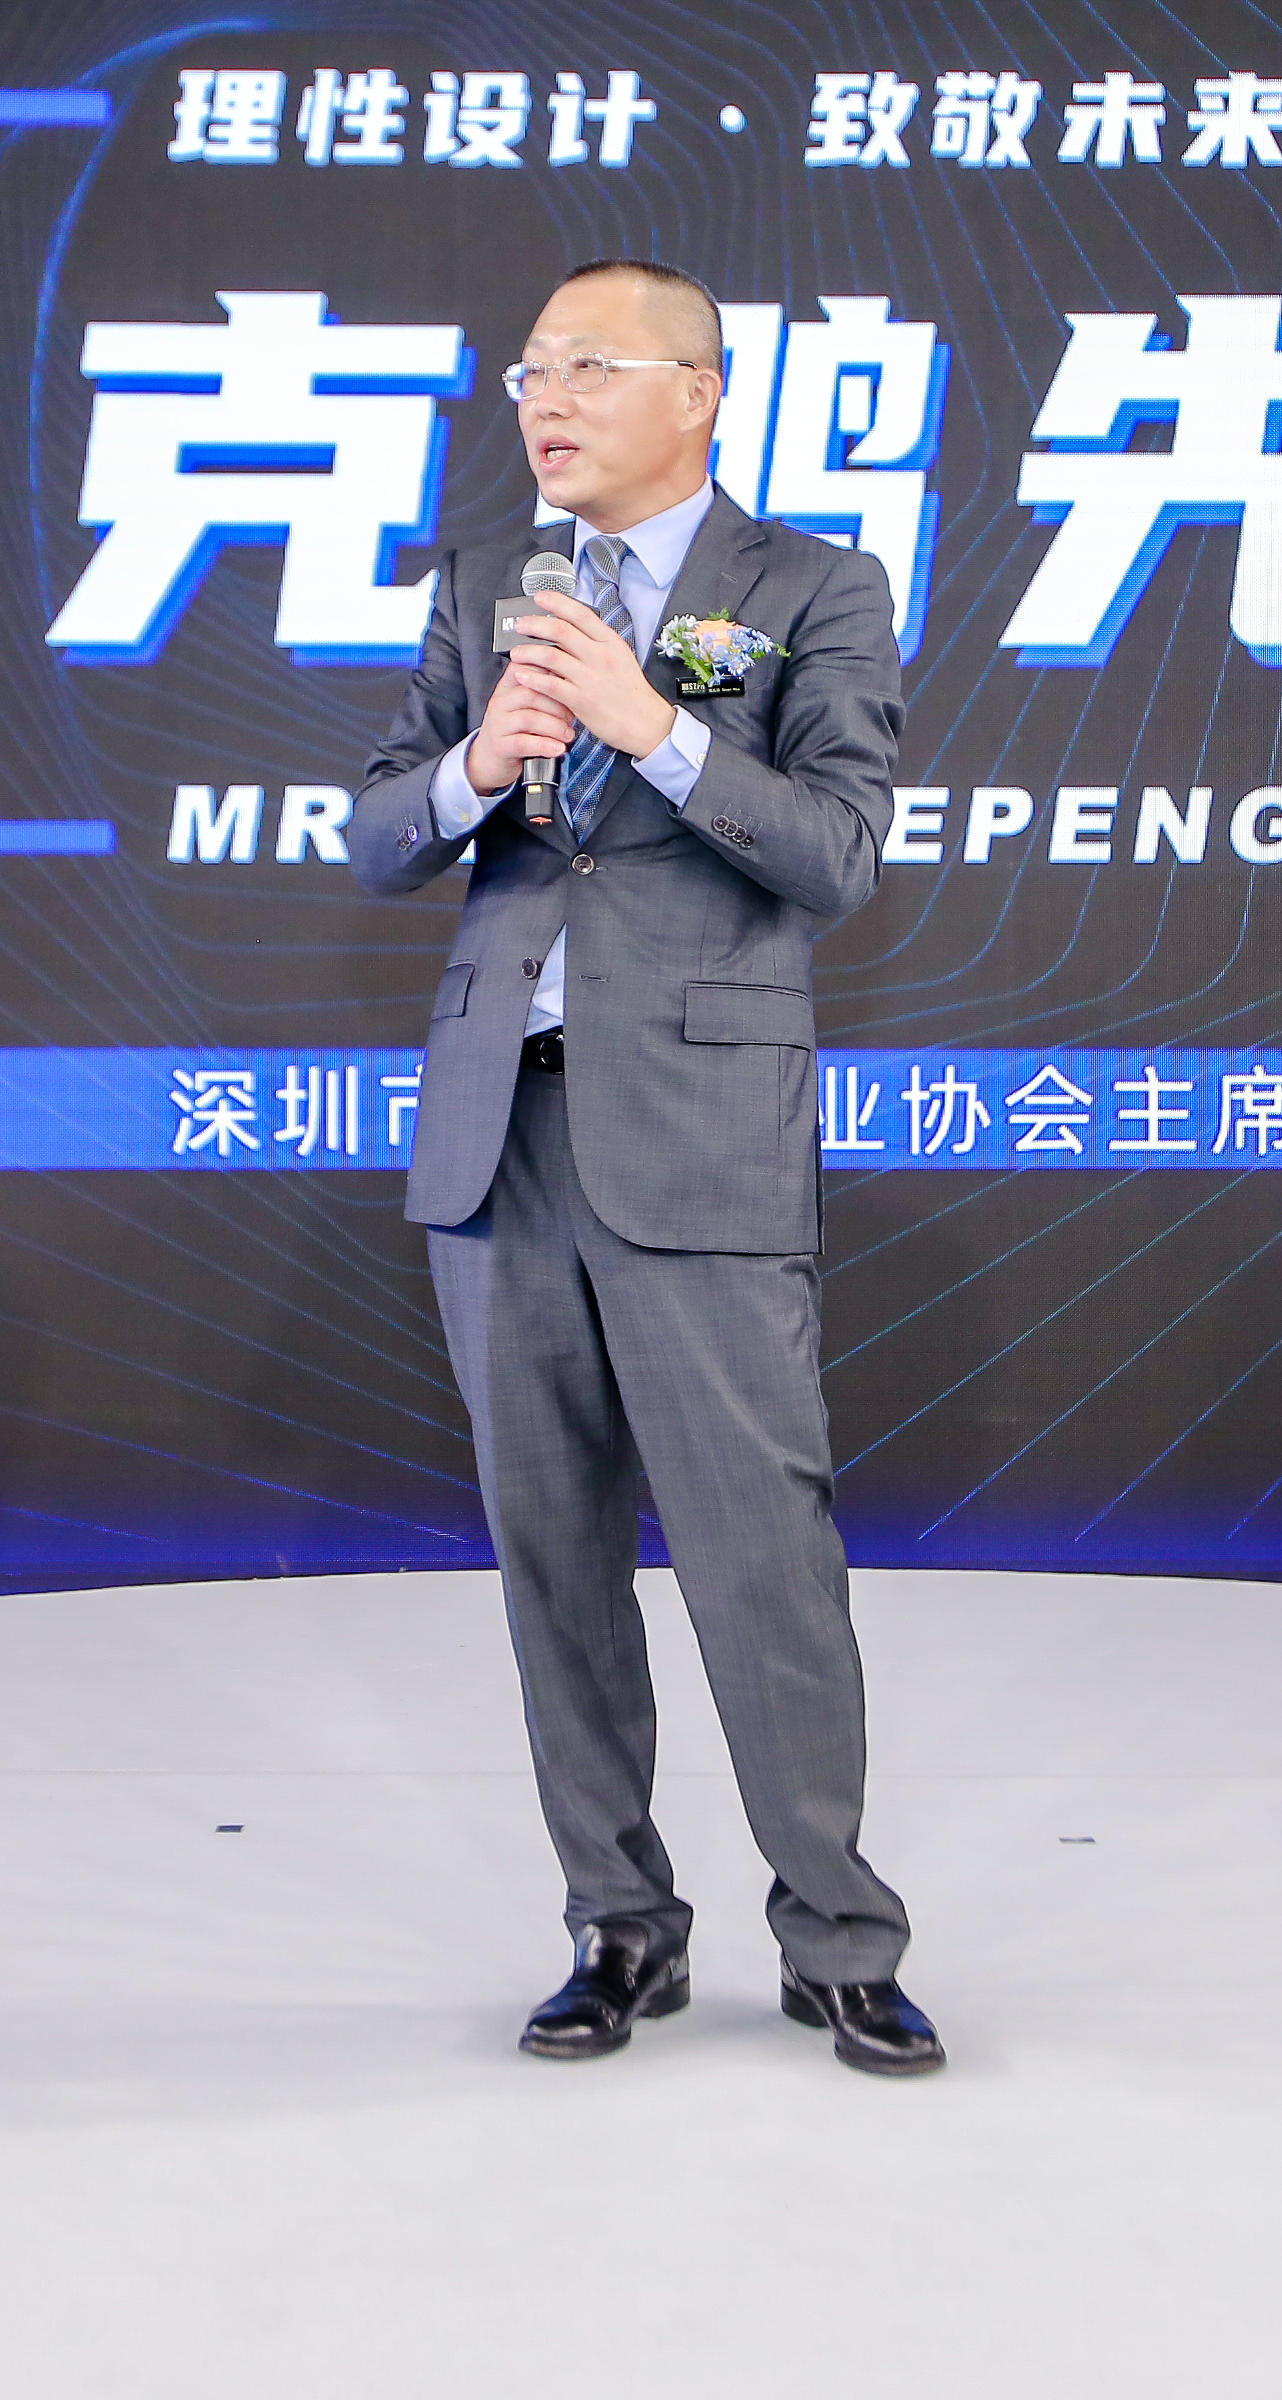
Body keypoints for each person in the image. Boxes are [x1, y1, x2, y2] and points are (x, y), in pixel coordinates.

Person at [353, 256, 942, 2078]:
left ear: (698, 392)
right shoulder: (487, 583)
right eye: (529, 370)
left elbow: (837, 851)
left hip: (696, 1134)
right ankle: (617, 1926)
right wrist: (480, 763)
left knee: (761, 1556)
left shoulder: (815, 587)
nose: (545, 398)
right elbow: (377, 831)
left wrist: (654, 729)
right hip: (501, 1132)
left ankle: (837, 1938)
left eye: (586, 366)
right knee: (552, 1555)